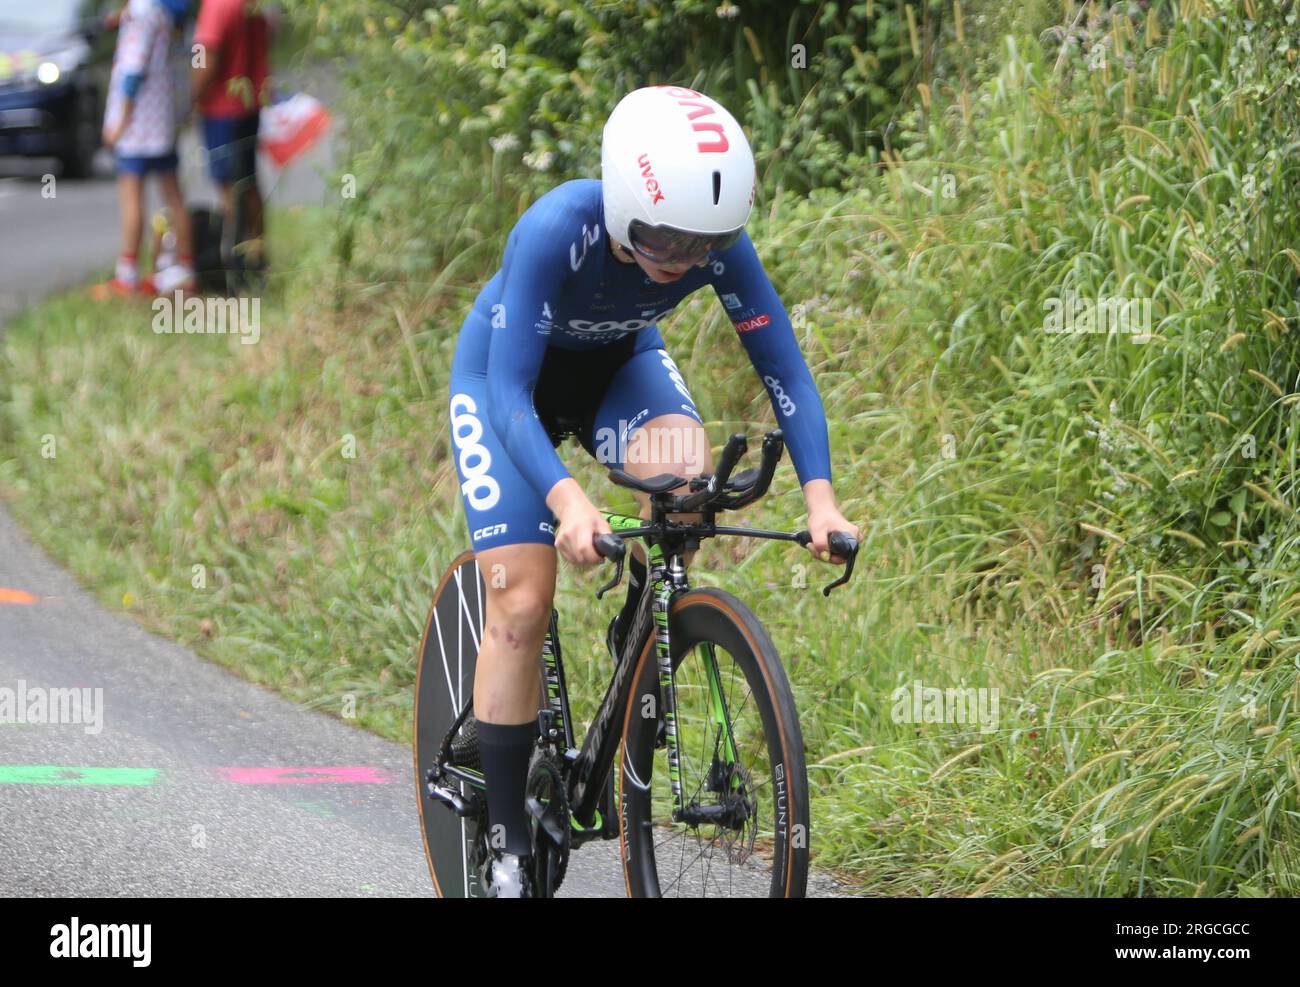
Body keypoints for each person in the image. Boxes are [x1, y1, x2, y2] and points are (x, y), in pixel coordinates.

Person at [447, 85, 860, 897]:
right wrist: (567, 499)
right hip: (508, 383)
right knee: (523, 600)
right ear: (625, 200)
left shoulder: (710, 246)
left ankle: (642, 631)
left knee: (685, 476)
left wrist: (821, 498)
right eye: (666, 236)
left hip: (617, 368)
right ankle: (503, 846)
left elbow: (783, 369)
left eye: (706, 242)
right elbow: (507, 396)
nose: (684, 257)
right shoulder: (555, 229)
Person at [96, 0, 195, 298]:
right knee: (174, 195)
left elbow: (133, 69)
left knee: (131, 195)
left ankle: (127, 276)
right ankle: (185, 272)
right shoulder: (168, 11)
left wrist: (120, 120)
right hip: (163, 117)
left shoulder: (142, 11)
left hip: (138, 123)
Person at [191, 0, 270, 279]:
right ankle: (258, 255)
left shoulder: (216, 5)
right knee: (249, 182)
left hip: (221, 109)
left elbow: (207, 57)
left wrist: (192, 97)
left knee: (227, 187)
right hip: (251, 103)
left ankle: (233, 263)